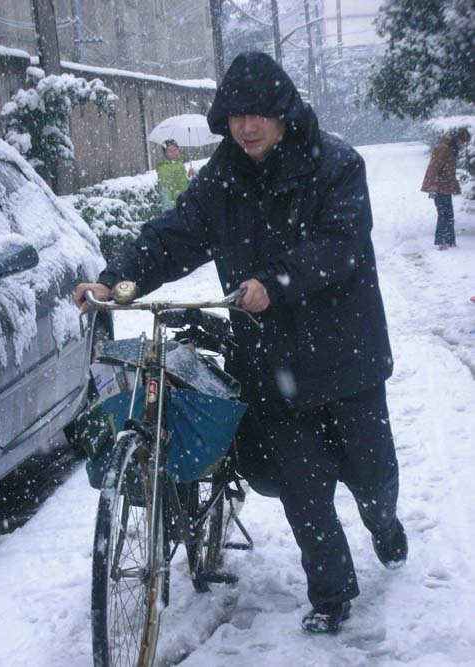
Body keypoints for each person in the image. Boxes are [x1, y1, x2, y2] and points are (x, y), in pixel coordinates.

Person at [75, 52, 407, 635]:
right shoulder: (221, 182)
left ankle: (384, 525)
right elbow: (171, 238)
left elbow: (340, 246)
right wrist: (116, 281)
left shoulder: (336, 165)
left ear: (284, 113)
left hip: (345, 356)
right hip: (272, 359)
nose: (246, 126)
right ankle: (331, 595)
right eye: (234, 115)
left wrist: (273, 283)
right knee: (305, 489)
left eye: (257, 114)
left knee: (373, 474)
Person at [421, 128, 471, 250]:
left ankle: (449, 240)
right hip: (438, 186)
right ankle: (442, 241)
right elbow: (433, 168)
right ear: (459, 139)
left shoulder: (452, 149)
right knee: (443, 214)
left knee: (449, 214)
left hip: (445, 186)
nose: (464, 146)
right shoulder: (443, 149)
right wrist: (432, 187)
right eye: (464, 143)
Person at [156, 139, 194, 211]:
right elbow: (165, 191)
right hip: (175, 206)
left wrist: (189, 176)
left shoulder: (180, 164)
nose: (173, 152)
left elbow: (184, 184)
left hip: (185, 202)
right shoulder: (163, 168)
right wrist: (168, 210)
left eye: (175, 150)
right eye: (170, 150)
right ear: (165, 153)